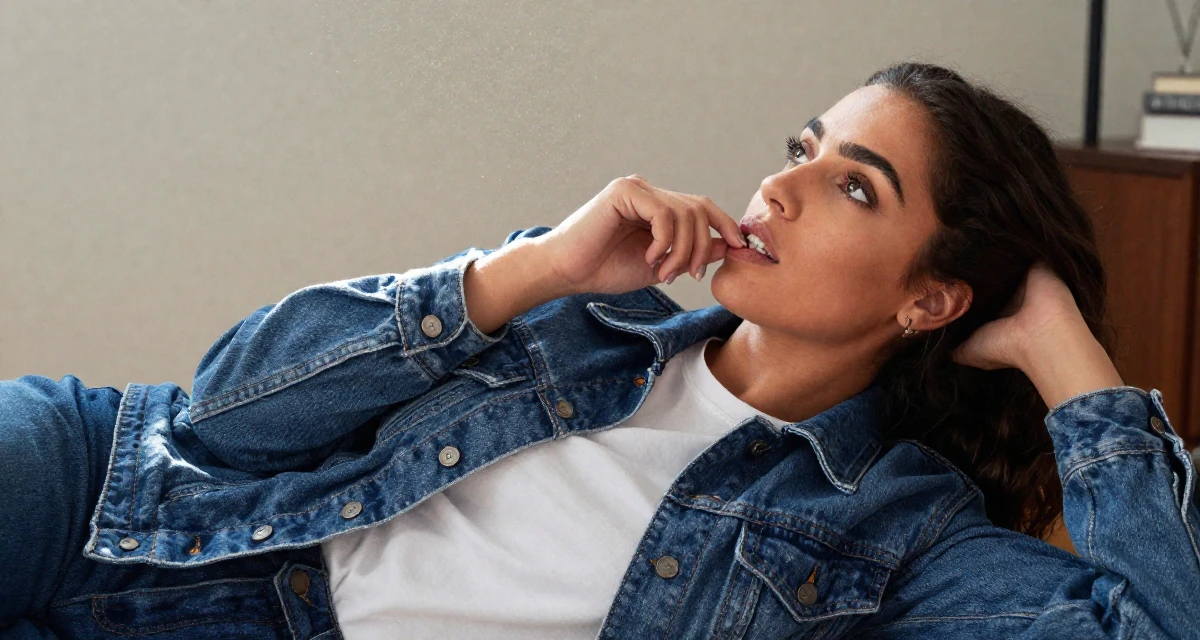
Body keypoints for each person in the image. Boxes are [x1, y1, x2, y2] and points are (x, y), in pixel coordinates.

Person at [2, 61, 1197, 640]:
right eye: (801, 143)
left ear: (932, 299)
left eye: (851, 185)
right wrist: (531, 270)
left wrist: (1066, 357)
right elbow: (218, 420)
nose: (777, 184)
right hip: (115, 491)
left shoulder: (900, 527)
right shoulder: (588, 313)